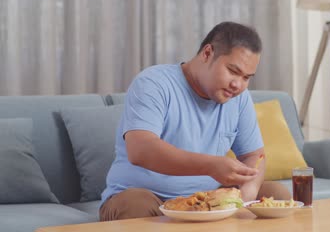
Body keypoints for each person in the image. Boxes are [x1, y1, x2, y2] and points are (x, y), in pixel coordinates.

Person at [99, 21, 291, 221]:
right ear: (207, 53)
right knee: (136, 205)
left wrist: (246, 192)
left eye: (246, 77)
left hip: (207, 200)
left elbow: (254, 155)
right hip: (146, 197)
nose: (238, 85)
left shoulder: (239, 98)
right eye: (233, 71)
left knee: (277, 194)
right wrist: (210, 166)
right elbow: (140, 149)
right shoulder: (153, 84)